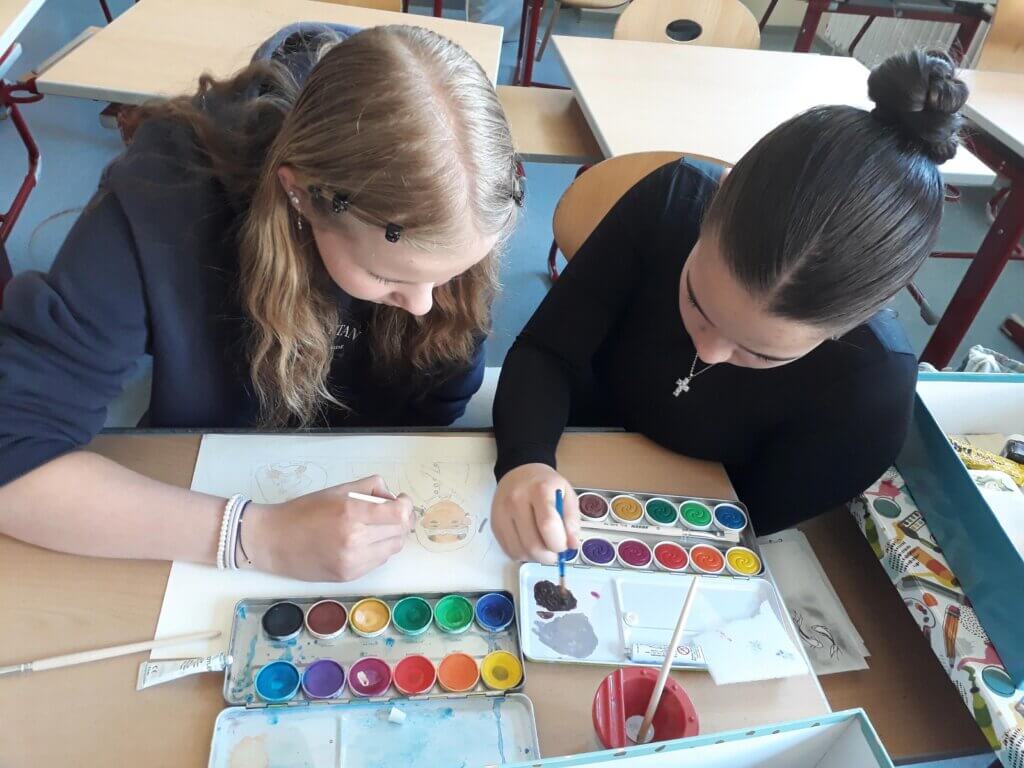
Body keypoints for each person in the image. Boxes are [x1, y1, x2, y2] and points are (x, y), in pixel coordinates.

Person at [0, 25, 522, 582]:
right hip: (217, 492)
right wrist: (254, 536)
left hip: (367, 500)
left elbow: (438, 404)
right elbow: (14, 446)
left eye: (453, 274)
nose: (422, 306)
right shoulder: (164, 201)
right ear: (299, 194)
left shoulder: (466, 197)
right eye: (385, 276)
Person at [490, 50, 967, 563]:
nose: (710, 351)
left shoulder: (871, 390)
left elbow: (748, 519)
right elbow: (547, 350)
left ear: (854, 323)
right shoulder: (671, 202)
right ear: (717, 193)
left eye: (759, 353)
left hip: (680, 515)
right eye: (697, 301)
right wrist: (526, 460)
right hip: (569, 430)